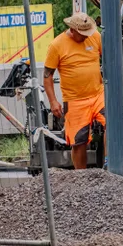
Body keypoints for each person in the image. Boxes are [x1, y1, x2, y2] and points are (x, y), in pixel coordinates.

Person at [43, 12, 105, 170]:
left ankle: (109, 166)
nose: (86, 37)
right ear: (73, 29)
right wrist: (53, 101)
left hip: (99, 95)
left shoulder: (95, 36)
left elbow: (109, 56)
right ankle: (81, 177)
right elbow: (47, 76)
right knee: (79, 142)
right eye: (82, 34)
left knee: (112, 126)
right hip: (75, 101)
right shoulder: (57, 45)